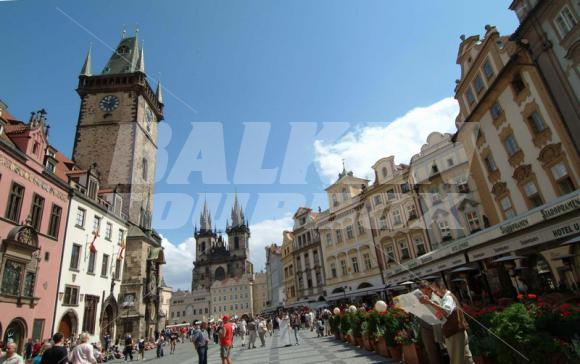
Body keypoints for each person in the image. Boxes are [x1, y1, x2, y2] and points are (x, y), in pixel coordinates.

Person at [421, 280, 474, 364]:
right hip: (457, 331)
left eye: (435, 291)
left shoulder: (448, 297)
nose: (435, 293)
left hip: (454, 332)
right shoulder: (447, 297)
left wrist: (430, 302)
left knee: (456, 360)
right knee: (467, 358)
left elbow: (446, 311)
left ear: (442, 288)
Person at [418, 281, 443, 364]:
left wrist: (429, 302)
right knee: (430, 350)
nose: (423, 294)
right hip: (425, 326)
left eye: (425, 292)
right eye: (422, 293)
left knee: (443, 347)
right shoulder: (420, 299)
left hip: (438, 326)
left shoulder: (436, 297)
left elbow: (442, 312)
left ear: (429, 290)